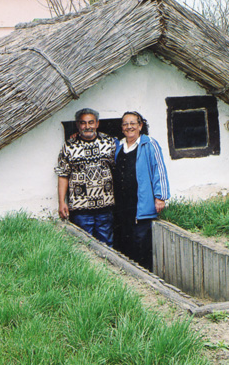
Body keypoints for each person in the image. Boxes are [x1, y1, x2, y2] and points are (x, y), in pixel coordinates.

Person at [113, 111, 170, 271]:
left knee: (141, 243)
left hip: (141, 203)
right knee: (124, 240)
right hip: (122, 204)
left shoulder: (149, 144)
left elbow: (159, 170)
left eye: (133, 123)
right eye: (125, 124)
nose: (129, 127)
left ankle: (145, 277)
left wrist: (160, 197)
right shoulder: (118, 146)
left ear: (140, 125)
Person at [55, 108, 116, 246]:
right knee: (84, 246)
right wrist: (61, 202)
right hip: (80, 208)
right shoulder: (69, 145)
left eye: (90, 122)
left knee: (107, 245)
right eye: (83, 123)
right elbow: (63, 175)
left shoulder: (109, 142)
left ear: (97, 123)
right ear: (78, 125)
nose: (87, 126)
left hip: (105, 207)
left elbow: (117, 167)